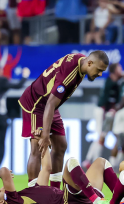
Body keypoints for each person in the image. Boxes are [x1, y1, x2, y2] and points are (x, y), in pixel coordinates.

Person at [18, 51, 109, 188]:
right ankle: (33, 193)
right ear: (89, 63)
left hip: (50, 104)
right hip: (36, 104)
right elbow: (50, 103)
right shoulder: (70, 74)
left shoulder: (81, 61)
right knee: (37, 147)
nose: (100, 74)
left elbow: (52, 102)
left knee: (61, 145)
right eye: (99, 70)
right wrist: (45, 135)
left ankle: (55, 190)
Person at [0, 128, 123, 204]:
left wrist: (43, 141)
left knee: (101, 162)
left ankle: (121, 200)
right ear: (2, 201)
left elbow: (46, 168)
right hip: (69, 200)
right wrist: (2, 173)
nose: (1, 188)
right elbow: (4, 171)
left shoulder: (30, 192)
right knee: (71, 163)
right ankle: (97, 201)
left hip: (80, 197)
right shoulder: (14, 201)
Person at [84, 63, 122, 169]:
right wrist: (106, 113)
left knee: (101, 136)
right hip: (103, 111)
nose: (121, 70)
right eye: (119, 68)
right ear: (114, 70)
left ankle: (88, 160)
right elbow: (107, 99)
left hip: (104, 110)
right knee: (101, 135)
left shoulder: (112, 82)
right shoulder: (111, 83)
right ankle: (93, 161)